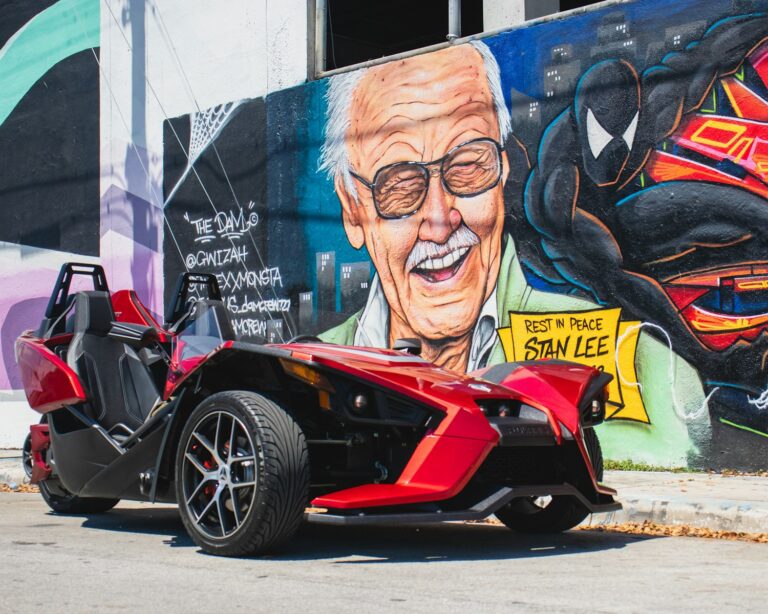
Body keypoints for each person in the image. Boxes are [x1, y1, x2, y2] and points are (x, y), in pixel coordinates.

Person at [317, 40, 709, 466]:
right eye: (399, 185)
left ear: (503, 171)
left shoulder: (650, 372)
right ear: (353, 210)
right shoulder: (308, 378)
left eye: (468, 166)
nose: (439, 220)